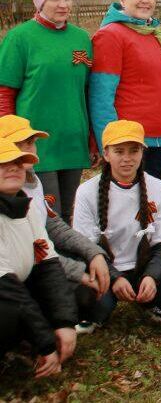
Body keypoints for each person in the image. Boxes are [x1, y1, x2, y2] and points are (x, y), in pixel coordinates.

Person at [72, 120, 161, 329]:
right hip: (105, 269)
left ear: (142, 152)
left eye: (134, 151)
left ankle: (148, 298)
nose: (127, 159)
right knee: (93, 308)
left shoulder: (158, 188)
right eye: (119, 151)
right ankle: (98, 308)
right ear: (106, 154)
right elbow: (86, 247)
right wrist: (115, 278)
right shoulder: (87, 192)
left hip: (144, 266)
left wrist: (152, 276)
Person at [0, 0, 93, 220]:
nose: (63, 4)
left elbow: (86, 91)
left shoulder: (82, 38)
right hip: (37, 144)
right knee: (50, 218)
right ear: (39, 3)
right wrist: (8, 141)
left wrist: (92, 137)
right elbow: (5, 93)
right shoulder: (20, 38)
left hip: (73, 142)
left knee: (72, 217)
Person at [4, 116, 110, 330]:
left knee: (89, 297)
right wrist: (79, 272)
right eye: (21, 144)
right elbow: (30, 252)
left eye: (31, 143)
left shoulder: (33, 181)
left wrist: (94, 252)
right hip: (12, 279)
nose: (31, 150)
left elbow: (53, 226)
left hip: (37, 267)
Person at [89, 0, 161, 180]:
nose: (145, 0)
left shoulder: (155, 35)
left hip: (160, 138)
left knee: (150, 206)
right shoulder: (111, 35)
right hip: (130, 142)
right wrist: (111, 143)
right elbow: (101, 97)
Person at [0, 137, 77, 378]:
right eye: (3, 163)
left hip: (15, 287)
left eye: (19, 162)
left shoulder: (27, 205)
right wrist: (46, 343)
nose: (14, 167)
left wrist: (65, 323)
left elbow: (49, 266)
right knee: (8, 313)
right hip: (6, 291)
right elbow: (7, 287)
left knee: (77, 296)